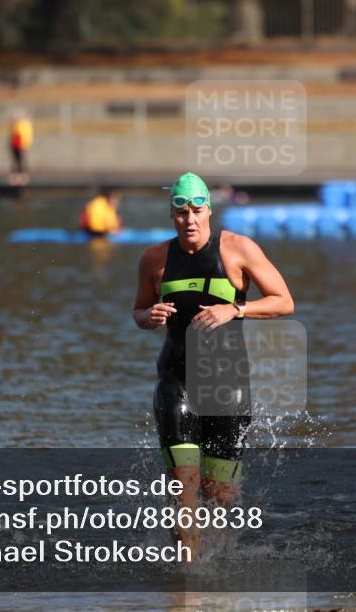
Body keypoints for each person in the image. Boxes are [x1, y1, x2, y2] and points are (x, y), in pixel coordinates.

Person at [132, 172, 294, 560]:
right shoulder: (155, 258)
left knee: (219, 497)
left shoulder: (238, 250)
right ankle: (187, 584)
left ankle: (219, 573)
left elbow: (284, 301)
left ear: (209, 210)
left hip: (228, 385)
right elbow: (137, 310)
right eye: (181, 211)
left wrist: (235, 309)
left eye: (196, 210)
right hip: (176, 382)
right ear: (171, 214)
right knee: (182, 488)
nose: (189, 219)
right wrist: (147, 315)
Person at [8, 111, 33, 185]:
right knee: (16, 160)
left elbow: (27, 136)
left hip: (22, 145)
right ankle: (16, 177)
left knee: (22, 161)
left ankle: (24, 177)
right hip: (15, 145)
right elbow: (12, 135)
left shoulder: (26, 124)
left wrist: (26, 146)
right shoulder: (15, 124)